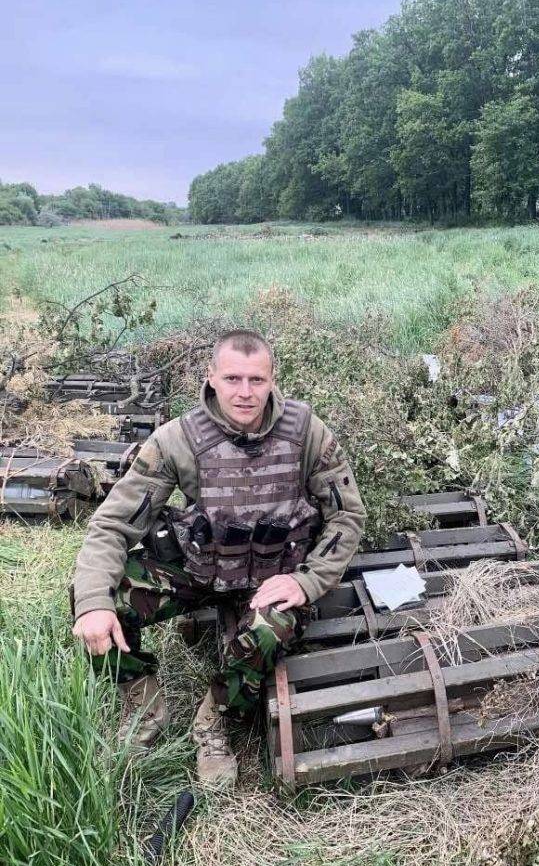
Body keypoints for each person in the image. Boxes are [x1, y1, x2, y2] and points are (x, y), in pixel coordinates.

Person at [72, 329, 365, 788]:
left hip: (273, 578)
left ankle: (214, 719)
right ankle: (143, 704)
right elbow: (113, 525)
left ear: (272, 380)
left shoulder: (307, 433)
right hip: (200, 571)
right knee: (98, 597)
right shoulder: (177, 441)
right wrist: (93, 602)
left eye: (256, 380)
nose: (244, 392)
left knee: (270, 631)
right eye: (232, 378)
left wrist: (307, 582)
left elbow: (346, 517)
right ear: (210, 377)